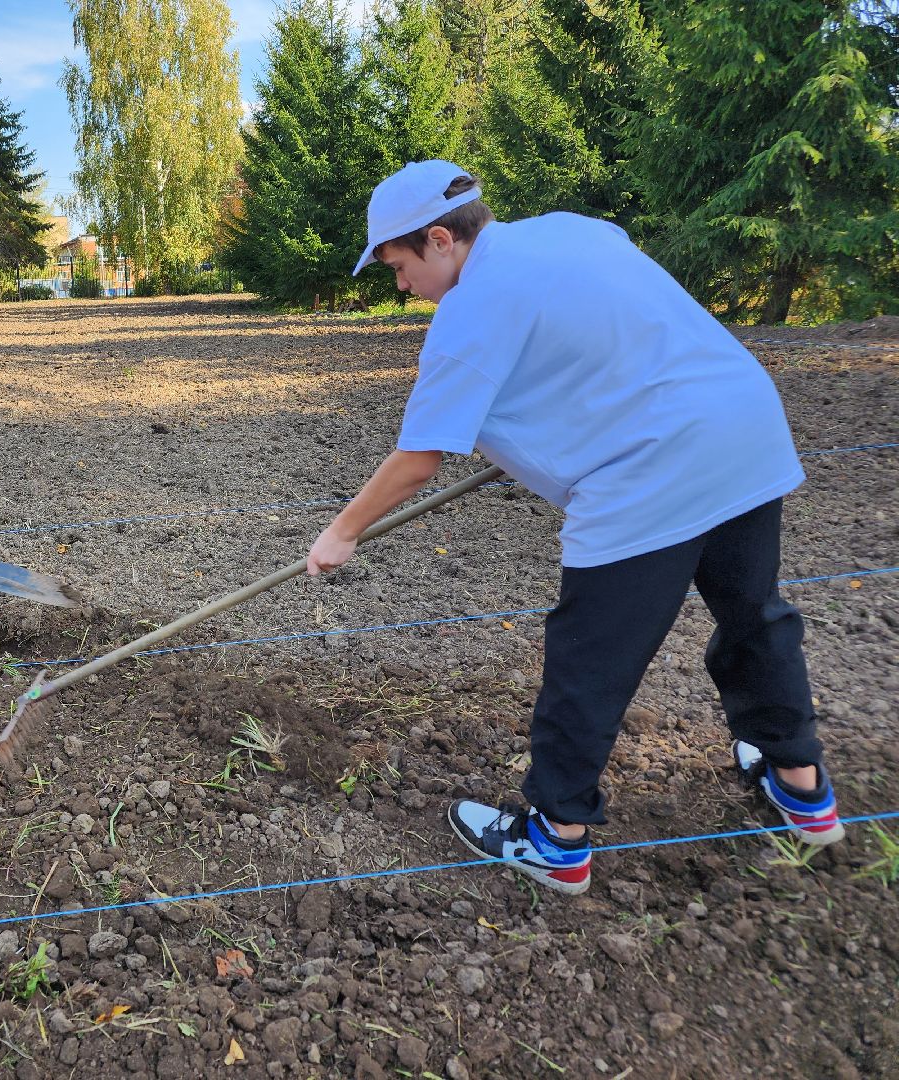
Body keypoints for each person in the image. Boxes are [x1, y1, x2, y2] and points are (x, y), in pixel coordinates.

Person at [305, 160, 843, 895]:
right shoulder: (571, 230)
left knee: (590, 659)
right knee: (755, 617)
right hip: (744, 431)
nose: (401, 286)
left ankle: (556, 839)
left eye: (398, 266)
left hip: (651, 474)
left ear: (439, 239)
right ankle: (803, 790)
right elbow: (600, 332)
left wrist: (343, 531)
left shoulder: (469, 310)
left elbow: (419, 457)